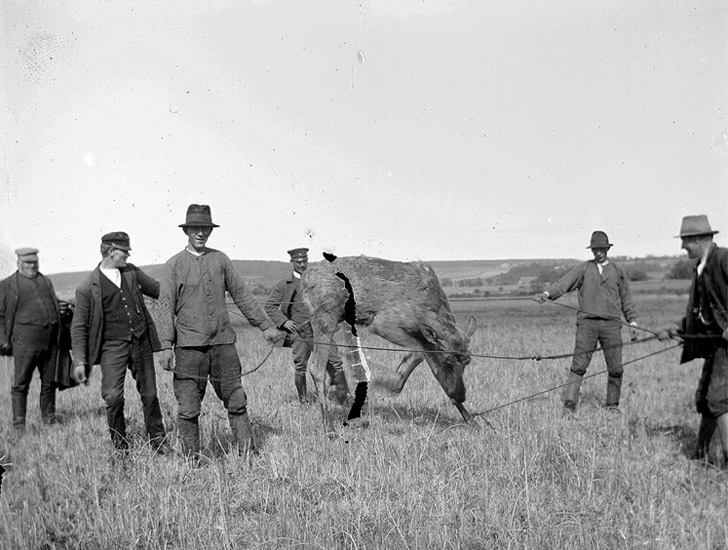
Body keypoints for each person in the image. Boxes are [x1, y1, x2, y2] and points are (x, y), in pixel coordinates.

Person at [157, 204, 284, 459]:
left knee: (236, 400)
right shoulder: (174, 266)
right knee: (189, 407)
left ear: (210, 230)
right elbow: (165, 307)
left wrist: (266, 326)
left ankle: (248, 456)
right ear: (186, 231)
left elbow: (243, 296)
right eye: (195, 228)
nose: (201, 233)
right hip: (189, 349)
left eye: (205, 228)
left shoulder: (221, 260)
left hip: (224, 346)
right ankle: (192, 461)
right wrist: (165, 346)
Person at [70, 232, 168, 454]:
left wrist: (189, 293)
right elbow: (78, 327)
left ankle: (159, 443)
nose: (128, 255)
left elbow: (160, 290)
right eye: (124, 251)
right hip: (111, 348)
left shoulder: (132, 272)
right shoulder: (86, 288)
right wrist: (79, 361)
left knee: (150, 395)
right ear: (111, 251)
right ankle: (121, 449)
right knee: (113, 398)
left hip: (141, 341)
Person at [535, 231, 639, 412]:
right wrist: (546, 294)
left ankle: (612, 407)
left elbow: (626, 299)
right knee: (579, 365)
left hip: (611, 326)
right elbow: (564, 283)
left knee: (616, 368)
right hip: (587, 325)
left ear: (607, 249)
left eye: (602, 249)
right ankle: (569, 406)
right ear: (592, 250)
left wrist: (633, 322)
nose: (598, 253)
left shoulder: (618, 271)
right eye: (595, 249)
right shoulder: (583, 269)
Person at [656, 215, 728, 466]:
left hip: (726, 345)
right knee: (705, 400)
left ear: (697, 239)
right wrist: (676, 328)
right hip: (716, 344)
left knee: (718, 400)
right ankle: (702, 455)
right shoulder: (701, 267)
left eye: (685, 241)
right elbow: (701, 313)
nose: (682, 246)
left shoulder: (723, 259)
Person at [264, 247, 350, 404]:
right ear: (292, 262)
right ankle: (303, 401)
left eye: (305, 261)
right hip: (299, 332)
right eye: (298, 262)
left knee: (335, 361)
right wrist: (284, 322)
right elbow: (269, 306)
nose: (302, 265)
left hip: (321, 331)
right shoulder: (284, 285)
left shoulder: (318, 282)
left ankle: (344, 398)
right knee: (300, 365)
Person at [0, 248, 70, 432]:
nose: (32, 266)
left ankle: (49, 419)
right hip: (24, 343)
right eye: (28, 263)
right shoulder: (7, 285)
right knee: (20, 384)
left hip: (50, 342)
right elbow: (0, 316)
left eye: (34, 262)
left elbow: (51, 303)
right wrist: (3, 340)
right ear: (19, 263)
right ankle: (19, 426)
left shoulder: (45, 281)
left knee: (49, 383)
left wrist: (61, 310)